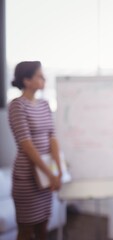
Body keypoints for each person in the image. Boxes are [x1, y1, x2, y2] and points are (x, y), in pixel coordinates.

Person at [8, 61, 62, 240]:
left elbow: (52, 137)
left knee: (43, 227)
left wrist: (57, 169)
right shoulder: (17, 105)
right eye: (39, 75)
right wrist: (50, 173)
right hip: (27, 178)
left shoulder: (45, 105)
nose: (44, 78)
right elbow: (26, 144)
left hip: (45, 178)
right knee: (26, 230)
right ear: (27, 80)